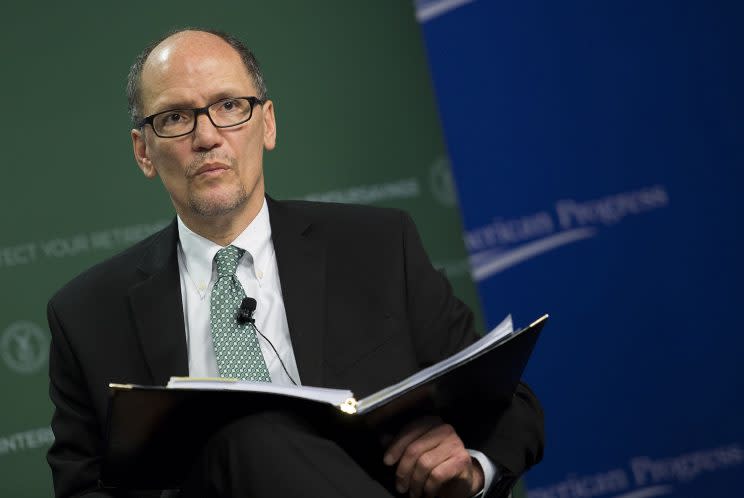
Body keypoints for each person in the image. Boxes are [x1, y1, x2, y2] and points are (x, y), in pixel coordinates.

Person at [47, 29, 543, 498]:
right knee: (247, 436)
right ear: (143, 152)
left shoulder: (378, 246)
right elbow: (83, 486)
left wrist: (470, 466)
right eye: (175, 117)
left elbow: (508, 403)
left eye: (229, 106)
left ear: (267, 124)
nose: (207, 136)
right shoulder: (86, 316)